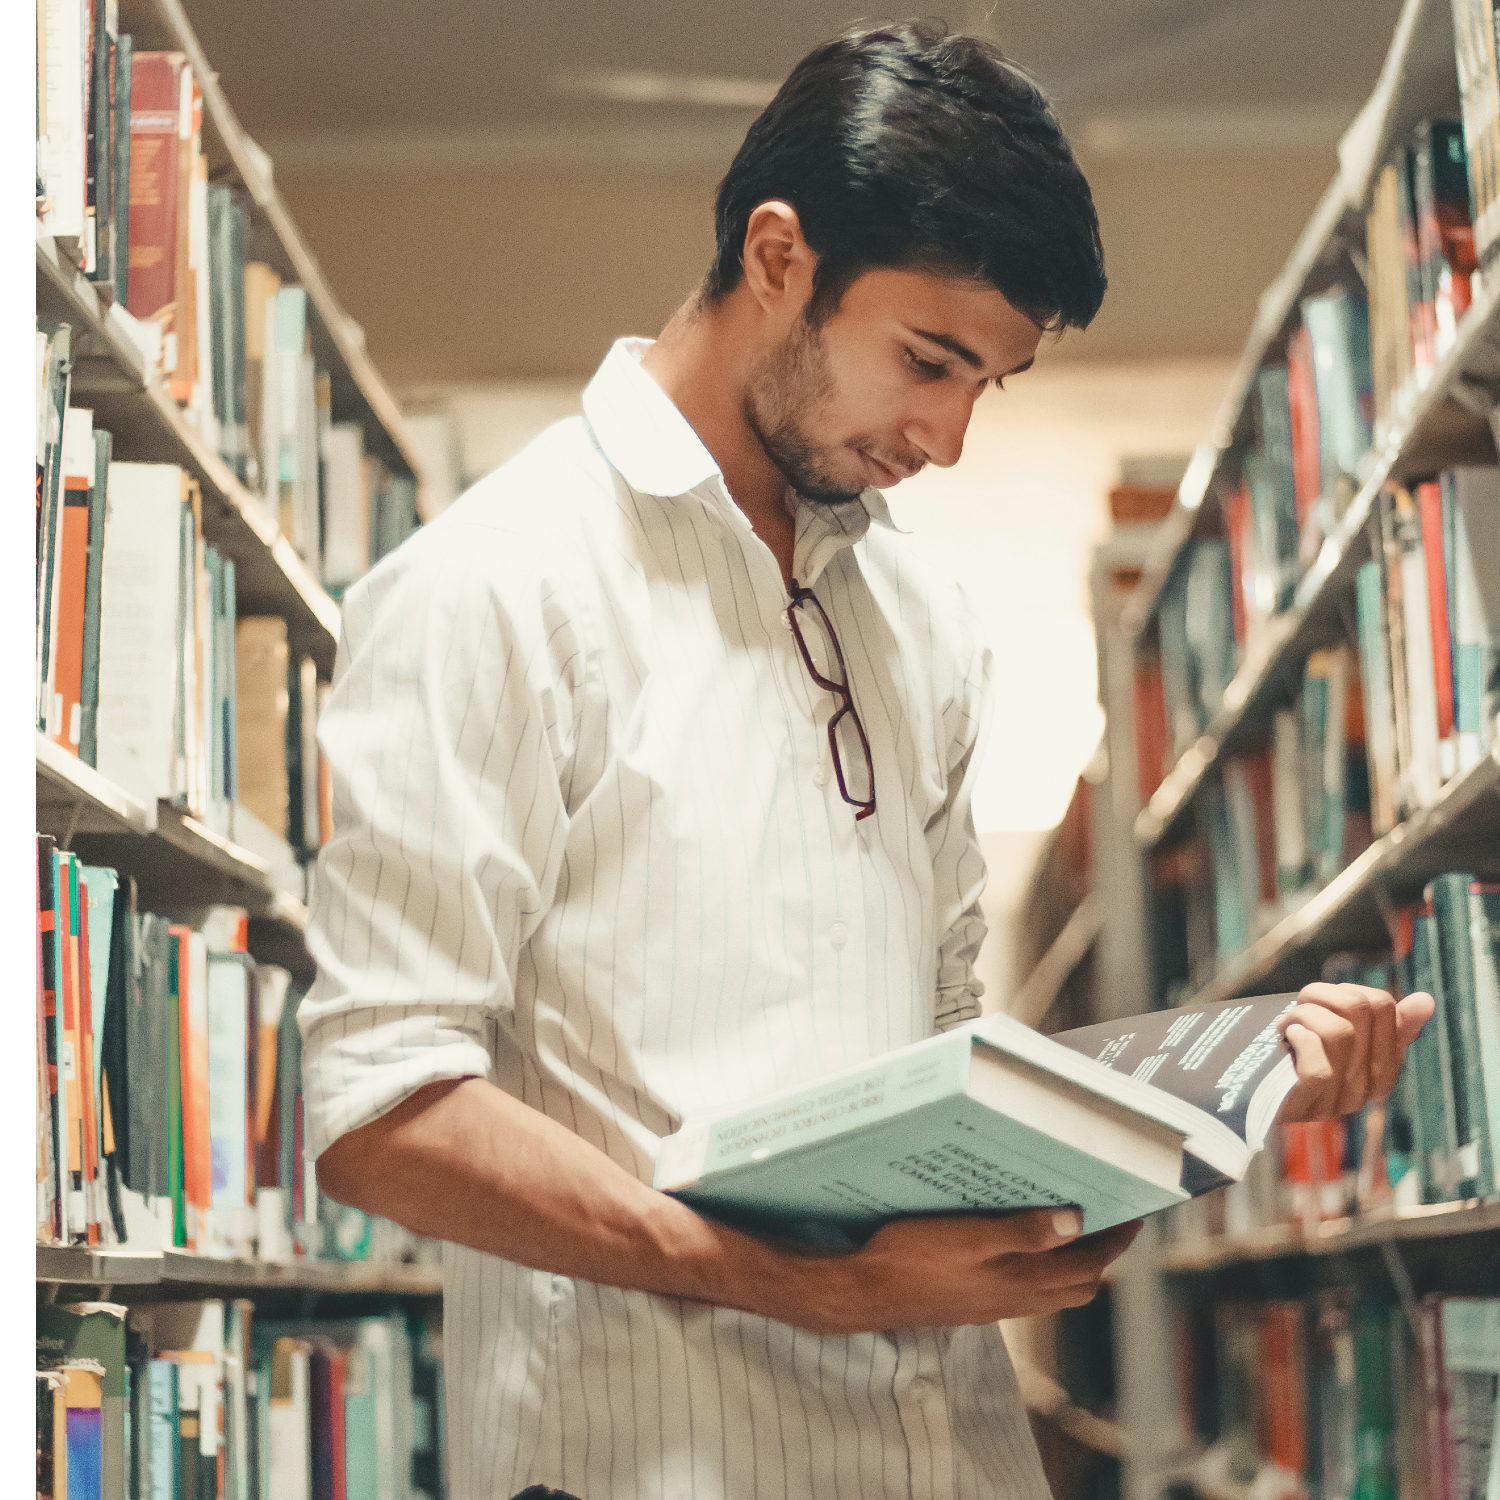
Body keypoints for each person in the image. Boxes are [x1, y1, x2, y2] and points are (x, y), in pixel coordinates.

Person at [302, 21, 1433, 1500]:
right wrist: (809, 1288)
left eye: (990, 385)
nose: (949, 439)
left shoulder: (920, 622)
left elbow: (953, 1073)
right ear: (778, 255)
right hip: (651, 1464)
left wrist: (1205, 1111)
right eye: (926, 360)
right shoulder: (493, 589)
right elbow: (383, 1113)